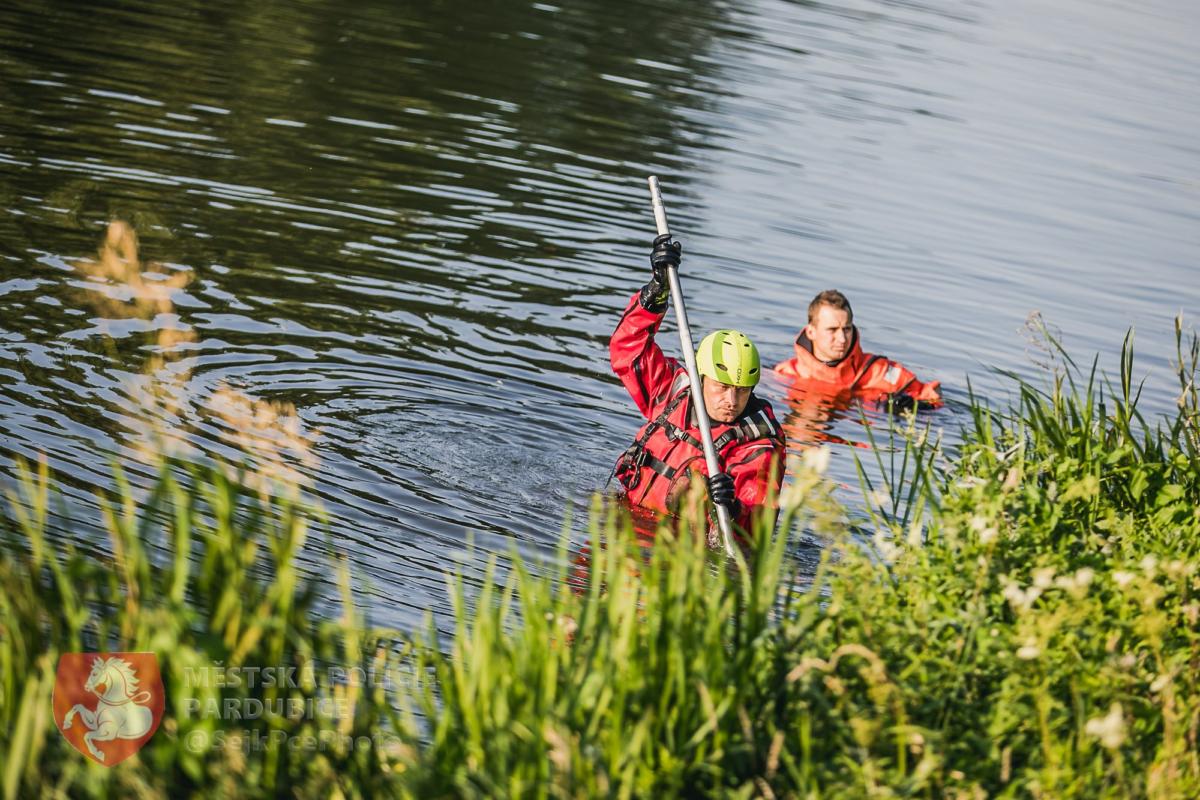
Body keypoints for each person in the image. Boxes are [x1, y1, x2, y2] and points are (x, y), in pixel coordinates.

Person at [610, 234, 785, 543]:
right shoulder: (672, 391)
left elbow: (755, 529)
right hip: (628, 522)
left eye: (742, 390)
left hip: (678, 553)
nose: (732, 401)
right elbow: (627, 349)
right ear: (700, 377)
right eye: (722, 387)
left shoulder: (758, 447)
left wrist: (731, 508)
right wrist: (655, 292)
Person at [773, 289, 942, 411]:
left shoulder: (881, 371)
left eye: (846, 329)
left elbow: (935, 398)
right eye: (832, 330)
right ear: (811, 332)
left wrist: (918, 407)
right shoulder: (786, 373)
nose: (842, 338)